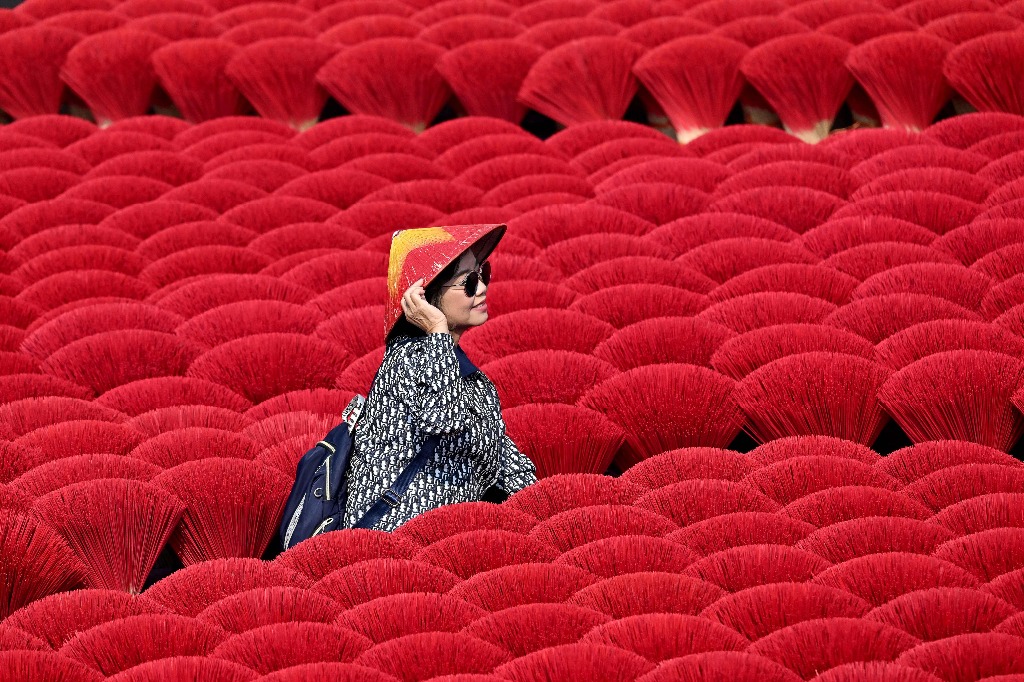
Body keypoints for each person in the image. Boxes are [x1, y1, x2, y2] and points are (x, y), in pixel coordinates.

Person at [341, 223, 538, 531]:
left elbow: (501, 458)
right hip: (394, 543)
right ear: (428, 298)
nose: (483, 288)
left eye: (483, 274)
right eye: (469, 282)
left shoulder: (464, 374)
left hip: (450, 536)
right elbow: (444, 418)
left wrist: (544, 512)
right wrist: (436, 329)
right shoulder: (406, 360)